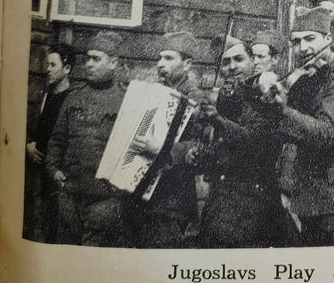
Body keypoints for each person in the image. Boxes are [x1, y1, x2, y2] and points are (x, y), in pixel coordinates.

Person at [258, 7, 334, 247]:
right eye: (296, 42)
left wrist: (281, 110)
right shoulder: (305, 78)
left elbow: (326, 134)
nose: (303, 48)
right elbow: (290, 137)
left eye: (310, 39)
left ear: (328, 40)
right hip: (311, 199)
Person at [196, 32, 286, 248]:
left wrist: (217, 120)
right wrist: (201, 154)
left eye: (239, 59)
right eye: (225, 63)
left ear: (252, 60)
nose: (232, 67)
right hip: (222, 197)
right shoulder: (227, 96)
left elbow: (254, 140)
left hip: (253, 198)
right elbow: (223, 145)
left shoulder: (264, 95)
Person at [45, 31, 127, 246]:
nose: (89, 64)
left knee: (94, 259)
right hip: (70, 195)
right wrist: (53, 169)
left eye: (96, 59)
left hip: (104, 200)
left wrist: (117, 191)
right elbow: (57, 139)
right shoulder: (74, 97)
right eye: (88, 58)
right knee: (67, 254)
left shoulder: (126, 101)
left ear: (114, 63)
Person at [126, 30, 204, 248]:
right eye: (159, 58)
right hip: (143, 190)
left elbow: (203, 142)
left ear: (187, 64)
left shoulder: (196, 98)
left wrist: (163, 149)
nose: (161, 63)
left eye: (169, 58)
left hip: (172, 198)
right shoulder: (155, 92)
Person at [25, 44, 74, 242]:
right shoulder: (45, 95)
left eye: (53, 65)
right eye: (47, 64)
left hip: (59, 174)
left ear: (67, 69)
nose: (48, 69)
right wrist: (28, 145)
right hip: (38, 171)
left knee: (59, 227)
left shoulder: (72, 98)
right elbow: (33, 127)